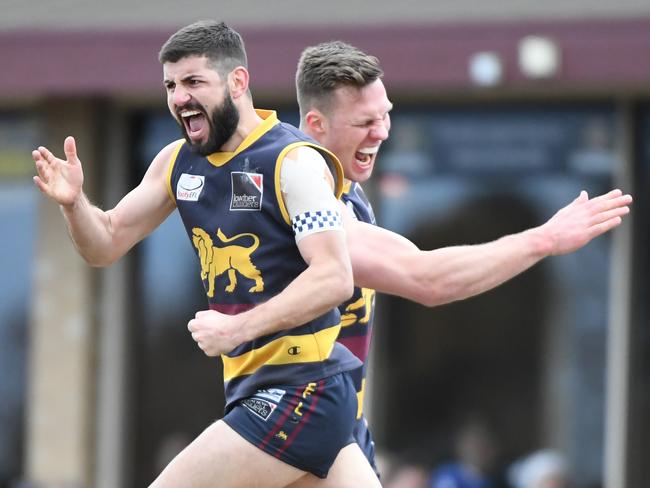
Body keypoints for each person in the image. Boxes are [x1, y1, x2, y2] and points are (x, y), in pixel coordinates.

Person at [32, 21, 380, 488]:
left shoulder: (294, 161)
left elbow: (334, 277)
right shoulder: (177, 162)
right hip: (257, 388)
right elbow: (106, 242)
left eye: (195, 82)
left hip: (304, 389)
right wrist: (75, 204)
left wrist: (237, 329)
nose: (179, 98)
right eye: (171, 86)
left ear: (238, 82)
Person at [292, 40, 633, 485]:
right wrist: (545, 239)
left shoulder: (347, 191)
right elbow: (426, 278)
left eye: (385, 115)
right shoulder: (299, 193)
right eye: (365, 122)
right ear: (316, 124)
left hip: (334, 429)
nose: (382, 132)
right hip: (292, 422)